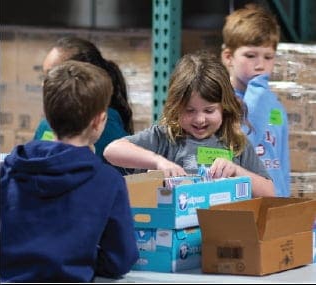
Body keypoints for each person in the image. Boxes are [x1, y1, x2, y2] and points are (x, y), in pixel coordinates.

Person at [0, 60, 139, 282]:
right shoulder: (108, 182)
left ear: (46, 113)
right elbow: (120, 258)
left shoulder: (8, 170)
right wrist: (82, 257)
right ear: (99, 121)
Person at [104, 51, 275, 198]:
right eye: (189, 111)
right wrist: (158, 162)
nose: (200, 119)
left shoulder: (235, 143)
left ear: (224, 108)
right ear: (176, 107)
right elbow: (112, 151)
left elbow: (269, 192)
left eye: (209, 111)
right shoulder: (165, 137)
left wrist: (237, 172)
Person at [33, 36, 134, 174]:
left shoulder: (107, 126)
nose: (43, 84)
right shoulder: (45, 125)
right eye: (44, 76)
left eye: (52, 75)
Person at [221, 4, 290, 197]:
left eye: (268, 57)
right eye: (250, 56)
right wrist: (255, 103)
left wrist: (286, 203)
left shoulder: (275, 106)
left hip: (274, 208)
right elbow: (235, 151)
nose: (260, 65)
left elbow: (282, 164)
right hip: (240, 206)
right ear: (229, 57)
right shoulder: (218, 105)